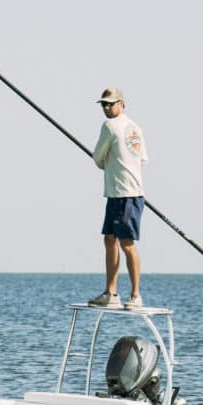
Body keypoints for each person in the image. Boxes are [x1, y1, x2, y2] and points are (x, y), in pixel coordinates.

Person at [88, 88, 148, 310]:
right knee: (110, 239)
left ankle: (135, 296)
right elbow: (142, 159)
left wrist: (109, 164)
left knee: (127, 244)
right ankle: (111, 293)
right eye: (103, 104)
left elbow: (97, 159)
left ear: (122, 103)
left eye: (110, 104)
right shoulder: (136, 127)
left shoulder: (110, 126)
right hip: (120, 194)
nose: (106, 108)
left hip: (125, 194)